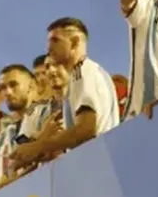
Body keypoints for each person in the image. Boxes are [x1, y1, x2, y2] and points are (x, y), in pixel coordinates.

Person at [9, 18, 120, 171]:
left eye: (55, 40)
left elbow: (87, 128)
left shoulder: (83, 72)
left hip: (95, 169)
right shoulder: (84, 74)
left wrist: (38, 146)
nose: (48, 48)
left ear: (74, 43)